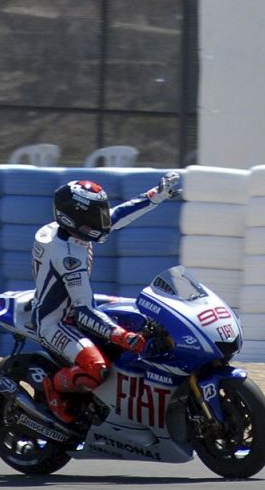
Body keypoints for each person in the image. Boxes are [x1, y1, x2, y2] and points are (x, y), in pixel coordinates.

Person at [33, 173, 183, 424]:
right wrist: (125, 337)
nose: (103, 221)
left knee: (139, 315)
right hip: (56, 320)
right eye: (95, 215)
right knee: (97, 369)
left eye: (100, 213)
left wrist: (156, 196)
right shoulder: (68, 255)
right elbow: (83, 312)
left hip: (77, 301)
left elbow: (118, 215)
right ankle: (53, 386)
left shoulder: (73, 230)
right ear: (74, 217)